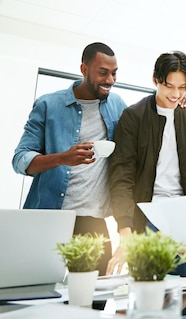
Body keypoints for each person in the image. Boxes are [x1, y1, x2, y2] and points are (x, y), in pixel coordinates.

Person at [13, 42, 126, 275]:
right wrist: (62, 158)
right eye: (102, 72)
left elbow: (145, 121)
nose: (110, 80)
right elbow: (21, 160)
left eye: (114, 73)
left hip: (94, 223)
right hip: (49, 221)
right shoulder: (48, 105)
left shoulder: (117, 105)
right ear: (84, 70)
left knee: (94, 304)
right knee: (42, 298)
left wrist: (181, 100)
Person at [107, 51, 186, 276]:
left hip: (183, 216)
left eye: (183, 87)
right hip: (147, 214)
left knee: (184, 290)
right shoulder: (134, 117)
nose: (176, 94)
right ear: (155, 80)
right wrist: (125, 229)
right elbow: (122, 174)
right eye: (169, 86)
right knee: (149, 292)